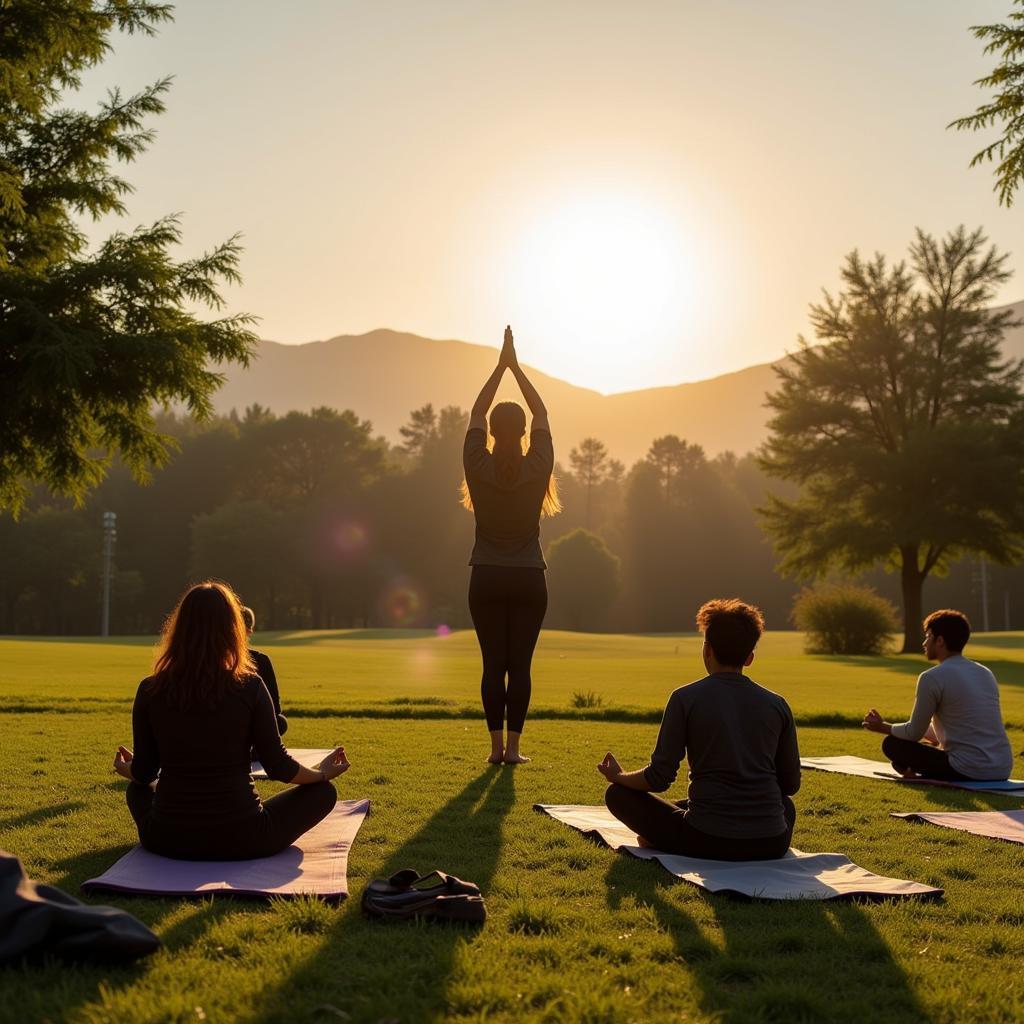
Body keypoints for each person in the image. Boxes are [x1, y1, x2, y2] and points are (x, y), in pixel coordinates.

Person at [113, 581, 350, 860]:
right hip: (246, 837)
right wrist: (321, 775)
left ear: (179, 630)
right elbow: (278, 765)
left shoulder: (150, 689)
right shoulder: (250, 686)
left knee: (137, 790)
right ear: (233, 630)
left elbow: (144, 773)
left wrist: (126, 768)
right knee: (323, 793)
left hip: (167, 837)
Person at [599, 599, 800, 860]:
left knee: (618, 795)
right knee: (786, 806)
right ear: (750, 658)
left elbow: (659, 778)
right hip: (771, 842)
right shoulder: (777, 704)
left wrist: (619, 776)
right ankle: (669, 832)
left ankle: (659, 838)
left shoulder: (685, 698)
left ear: (707, 650)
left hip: (706, 839)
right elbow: (790, 784)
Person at [462, 325, 560, 764]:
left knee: (491, 664)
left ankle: (495, 750)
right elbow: (542, 413)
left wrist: (498, 368)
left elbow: (474, 413)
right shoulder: (537, 464)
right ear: (522, 433)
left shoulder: (477, 465)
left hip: (485, 576)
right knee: (519, 665)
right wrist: (516, 368)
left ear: (491, 433)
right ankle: (515, 751)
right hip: (528, 580)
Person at [862, 608, 1013, 781]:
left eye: (928, 637)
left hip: (968, 769)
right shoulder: (985, 672)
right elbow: (964, 726)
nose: (924, 643)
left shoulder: (931, 677)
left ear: (940, 641)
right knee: (916, 746)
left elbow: (913, 733)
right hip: (1001, 768)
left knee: (892, 744)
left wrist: (882, 726)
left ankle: (916, 772)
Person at [240, 605, 287, 735]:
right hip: (249, 729)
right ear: (249, 631)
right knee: (280, 722)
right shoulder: (260, 660)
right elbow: (275, 709)